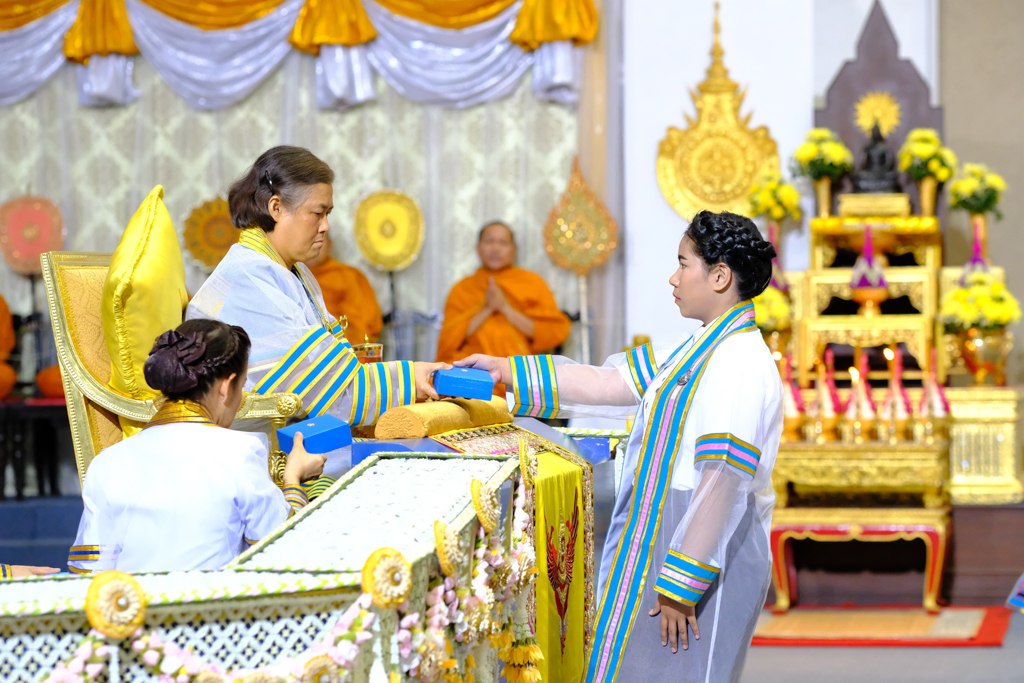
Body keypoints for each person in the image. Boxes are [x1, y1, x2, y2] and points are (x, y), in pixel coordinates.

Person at [458, 211, 782, 683]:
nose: (673, 278)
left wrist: (682, 587)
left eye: (683, 264)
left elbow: (723, 478)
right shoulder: (699, 347)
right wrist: (505, 370)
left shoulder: (738, 361)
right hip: (670, 538)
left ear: (719, 276)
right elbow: (608, 383)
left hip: (700, 553)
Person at [187, 146, 447, 426]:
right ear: (276, 208)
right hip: (254, 441)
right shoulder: (250, 276)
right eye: (317, 213)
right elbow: (327, 394)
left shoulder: (289, 269)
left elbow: (331, 374)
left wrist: (411, 374)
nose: (325, 226)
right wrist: (410, 378)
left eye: (328, 214)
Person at [67, 320, 326, 574]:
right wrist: (293, 478)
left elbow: (89, 570)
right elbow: (283, 545)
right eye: (242, 385)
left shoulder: (107, 461)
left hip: (131, 601)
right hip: (208, 600)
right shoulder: (239, 451)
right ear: (226, 386)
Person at [435, 221, 571, 366]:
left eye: (503, 243)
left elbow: (554, 333)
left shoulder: (533, 283)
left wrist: (505, 308)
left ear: (514, 250)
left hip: (517, 366)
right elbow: (447, 342)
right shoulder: (462, 288)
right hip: (471, 367)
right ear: (478, 248)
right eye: (489, 242)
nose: (495, 249)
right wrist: (487, 308)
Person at [305, 233, 384, 344]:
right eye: (308, 241)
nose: (314, 247)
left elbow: (369, 323)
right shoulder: (290, 279)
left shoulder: (349, 276)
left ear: (330, 245)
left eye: (319, 242)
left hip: (349, 347)